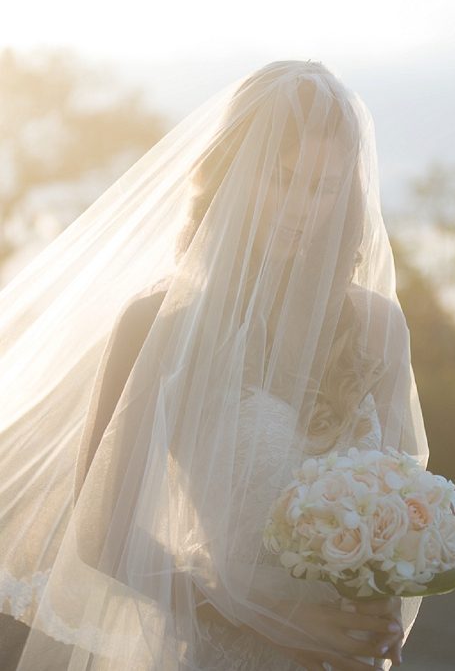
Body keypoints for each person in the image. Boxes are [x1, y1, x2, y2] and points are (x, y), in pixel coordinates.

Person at [0, 61, 427, 670]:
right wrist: (252, 611)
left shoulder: (379, 327)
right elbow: (101, 530)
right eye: (280, 179)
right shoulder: (157, 323)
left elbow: (400, 497)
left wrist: (373, 611)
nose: (301, 209)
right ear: (229, 172)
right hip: (221, 646)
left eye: (324, 187)